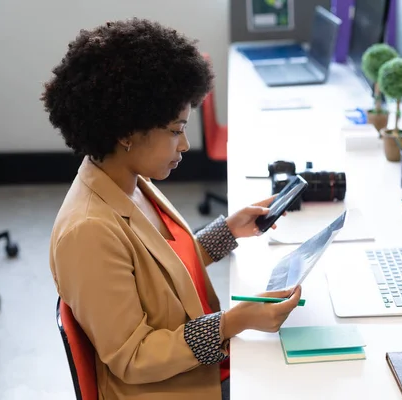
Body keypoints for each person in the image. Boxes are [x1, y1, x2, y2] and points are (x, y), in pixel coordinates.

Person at [42, 18, 302, 400]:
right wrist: (233, 322)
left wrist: (226, 232)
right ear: (126, 132)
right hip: (177, 389)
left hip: (203, 368)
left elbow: (160, 275)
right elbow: (134, 356)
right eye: (176, 130)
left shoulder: (126, 179)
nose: (184, 145)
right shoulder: (87, 231)